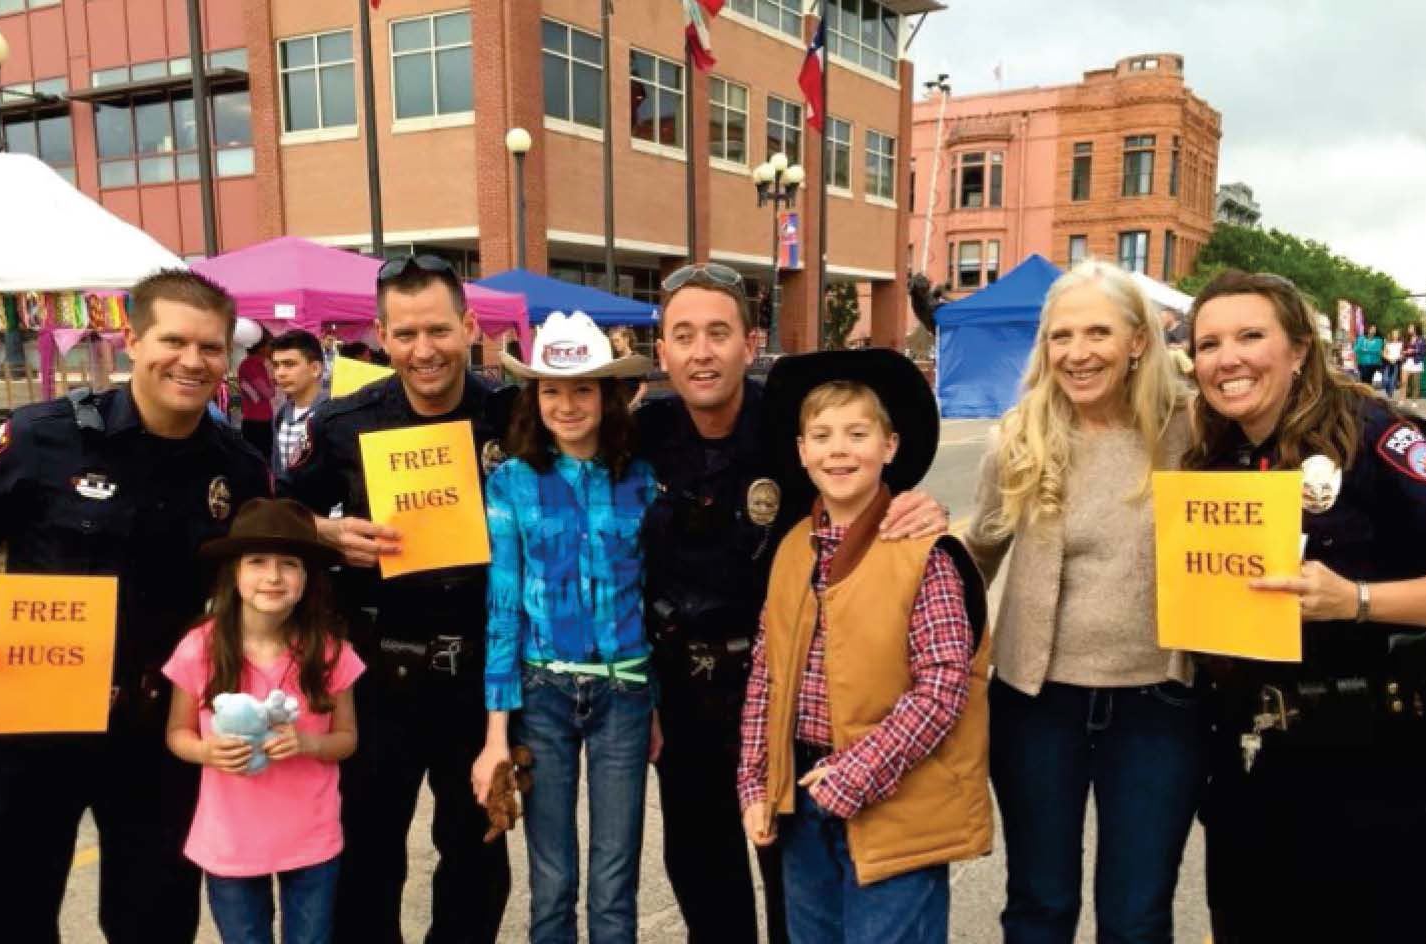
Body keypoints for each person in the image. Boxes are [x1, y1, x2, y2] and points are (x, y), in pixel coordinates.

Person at [0, 270, 271, 944]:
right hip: (25, 727)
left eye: (211, 348)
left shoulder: (239, 468)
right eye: (173, 340)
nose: (192, 361)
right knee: (8, 921)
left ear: (227, 356)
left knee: (155, 925)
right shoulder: (44, 437)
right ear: (131, 339)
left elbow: (264, 577)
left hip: (156, 736)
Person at [636, 263, 947, 944]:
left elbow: (858, 474)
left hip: (775, 697)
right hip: (679, 694)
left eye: (718, 333)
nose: (701, 351)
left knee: (794, 891)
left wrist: (917, 501)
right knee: (702, 879)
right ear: (661, 351)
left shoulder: (788, 426)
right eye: (682, 336)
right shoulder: (641, 432)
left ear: (751, 342)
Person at [1184, 270, 1426, 943]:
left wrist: (1357, 601)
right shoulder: (1211, 460)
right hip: (1251, 776)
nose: (1227, 359)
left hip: (1375, 775)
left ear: (1299, 350)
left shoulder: (1378, 438)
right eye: (1208, 344)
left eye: (1251, 336)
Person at [963, 260, 1201, 943]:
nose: (1077, 352)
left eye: (1097, 331)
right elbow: (979, 552)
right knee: (1040, 903)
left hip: (1159, 702)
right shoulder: (1018, 438)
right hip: (1037, 704)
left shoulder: (1192, 434)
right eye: (1061, 336)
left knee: (1137, 915)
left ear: (1138, 340)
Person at [279, 254, 513, 944]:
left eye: (438, 330)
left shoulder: (512, 412)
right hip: (380, 673)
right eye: (405, 334)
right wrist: (327, 531)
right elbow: (275, 514)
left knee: (478, 848)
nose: (423, 350)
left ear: (470, 326)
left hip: (479, 674)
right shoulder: (347, 421)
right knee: (368, 853)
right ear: (381, 335)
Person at [737, 350, 989, 942]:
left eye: (857, 433)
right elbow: (766, 673)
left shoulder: (923, 553)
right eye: (822, 435)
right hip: (803, 797)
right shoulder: (794, 546)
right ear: (801, 452)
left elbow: (943, 684)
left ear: (890, 445)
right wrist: (756, 782)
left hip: (892, 804)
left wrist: (855, 774)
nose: (839, 450)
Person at [471, 312, 657, 943]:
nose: (567, 404)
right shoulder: (511, 483)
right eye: (551, 389)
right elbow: (503, 610)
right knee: (550, 880)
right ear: (535, 398)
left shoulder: (642, 479)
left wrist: (651, 701)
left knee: (614, 878)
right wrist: (497, 735)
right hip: (542, 693)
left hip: (625, 693)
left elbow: (651, 594)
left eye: (582, 388)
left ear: (607, 395)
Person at [163, 498, 364, 944]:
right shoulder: (200, 647)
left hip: (310, 836)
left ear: (306, 578)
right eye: (257, 562)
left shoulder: (331, 652)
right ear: (235, 574)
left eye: (288, 564)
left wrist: (310, 744)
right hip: (231, 839)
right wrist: (205, 750)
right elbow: (177, 731)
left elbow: (347, 738)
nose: (273, 577)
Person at [269, 329, 328, 478]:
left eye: (289, 364)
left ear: (315, 368)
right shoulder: (281, 414)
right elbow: (278, 467)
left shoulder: (333, 413)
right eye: (276, 365)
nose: (280, 373)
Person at [239, 329, 276, 459]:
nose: (271, 349)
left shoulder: (252, 364)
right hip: (258, 419)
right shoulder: (253, 364)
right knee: (261, 456)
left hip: (256, 417)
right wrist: (273, 384)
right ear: (261, 348)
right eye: (269, 345)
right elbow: (267, 393)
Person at [609, 325, 649, 410]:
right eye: (613, 341)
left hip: (633, 406)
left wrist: (631, 406)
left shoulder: (636, 360)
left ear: (626, 339)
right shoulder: (614, 361)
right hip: (617, 407)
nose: (615, 344)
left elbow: (643, 387)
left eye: (617, 340)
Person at [1353, 323, 1383, 389]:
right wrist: (1369, 350)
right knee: (1363, 380)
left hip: (1373, 363)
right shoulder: (1361, 339)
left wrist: (1365, 350)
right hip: (1362, 363)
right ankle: (1365, 394)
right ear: (1368, 329)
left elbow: (1378, 350)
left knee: (1368, 380)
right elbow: (1356, 349)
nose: (1373, 331)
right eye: (1372, 329)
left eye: (1374, 329)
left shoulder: (1378, 340)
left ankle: (1367, 394)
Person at [1403, 323, 1426, 402]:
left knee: (1415, 383)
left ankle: (1414, 401)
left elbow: (1423, 351)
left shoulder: (1421, 339)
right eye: (1409, 327)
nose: (1409, 329)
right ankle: (1402, 399)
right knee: (1404, 381)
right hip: (1407, 361)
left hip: (1417, 361)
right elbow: (1403, 348)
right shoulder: (1406, 338)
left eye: (1411, 327)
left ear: (1415, 328)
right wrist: (1404, 352)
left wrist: (1414, 350)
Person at [1382, 328, 1403, 399]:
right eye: (1394, 333)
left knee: (1393, 380)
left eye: (1397, 334)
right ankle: (1388, 391)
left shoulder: (1401, 343)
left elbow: (1402, 354)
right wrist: (1389, 359)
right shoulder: (1388, 343)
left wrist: (1397, 359)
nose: (1395, 335)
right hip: (1388, 363)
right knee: (1385, 380)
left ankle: (1390, 394)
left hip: (1396, 363)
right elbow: (1384, 353)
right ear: (1392, 334)